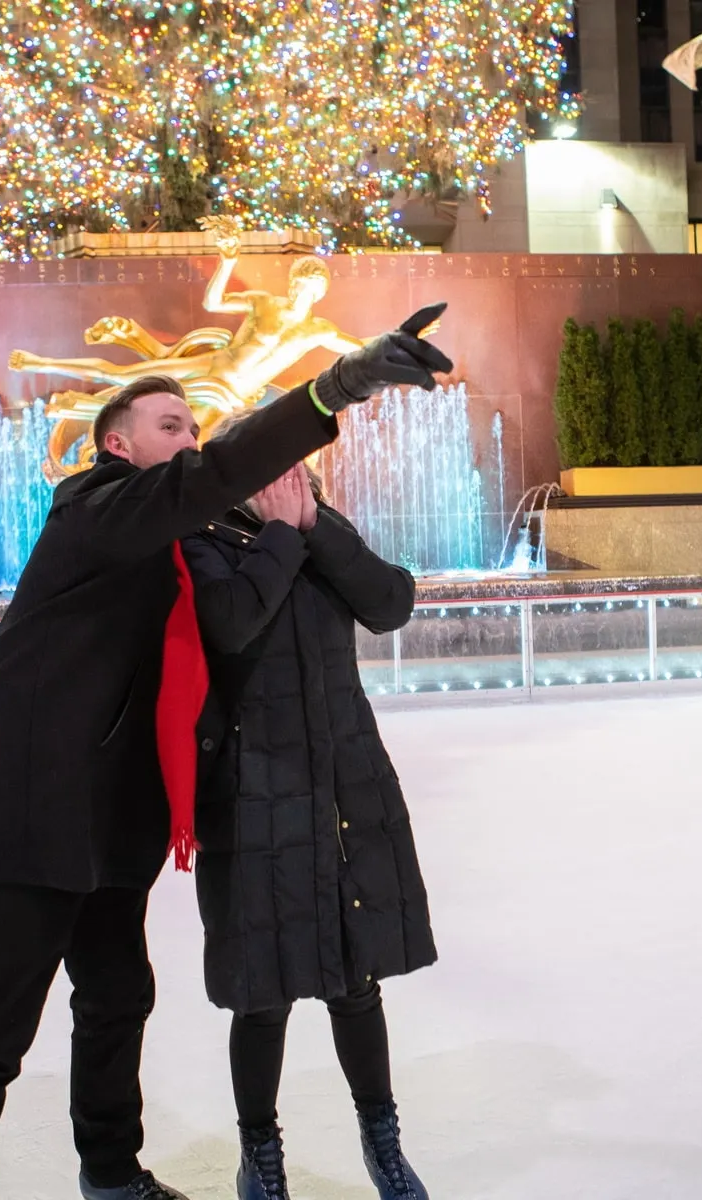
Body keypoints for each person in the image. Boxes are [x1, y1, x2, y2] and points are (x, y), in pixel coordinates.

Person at [0, 305, 453, 1200]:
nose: (192, 442)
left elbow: (360, 595)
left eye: (195, 428)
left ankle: (111, 1177)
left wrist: (301, 526)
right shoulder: (99, 508)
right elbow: (223, 521)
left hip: (104, 821)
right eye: (172, 427)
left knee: (117, 998)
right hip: (21, 816)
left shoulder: (177, 537)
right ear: (117, 445)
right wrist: (339, 385)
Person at [182, 444, 434, 1200]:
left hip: (343, 781)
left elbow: (390, 603)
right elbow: (229, 623)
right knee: (261, 990)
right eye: (269, 468)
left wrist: (315, 527)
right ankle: (259, 1154)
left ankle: (383, 1143)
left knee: (356, 978)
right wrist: (280, 536)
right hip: (252, 787)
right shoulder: (202, 541)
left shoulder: (323, 529)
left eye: (293, 468)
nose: (286, 481)